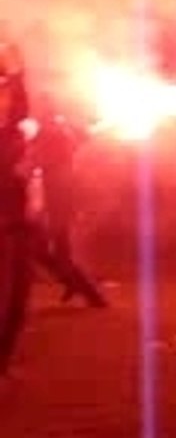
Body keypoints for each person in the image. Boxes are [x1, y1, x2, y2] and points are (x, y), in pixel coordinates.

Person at [29, 105, 107, 308]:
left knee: (58, 253)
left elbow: (37, 161)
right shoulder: (53, 133)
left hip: (59, 204)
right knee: (40, 249)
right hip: (54, 203)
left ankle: (91, 295)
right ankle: (75, 284)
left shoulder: (52, 135)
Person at [0, 43, 32, 377]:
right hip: (6, 225)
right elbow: (17, 114)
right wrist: (15, 76)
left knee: (16, 299)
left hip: (12, 223)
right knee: (10, 299)